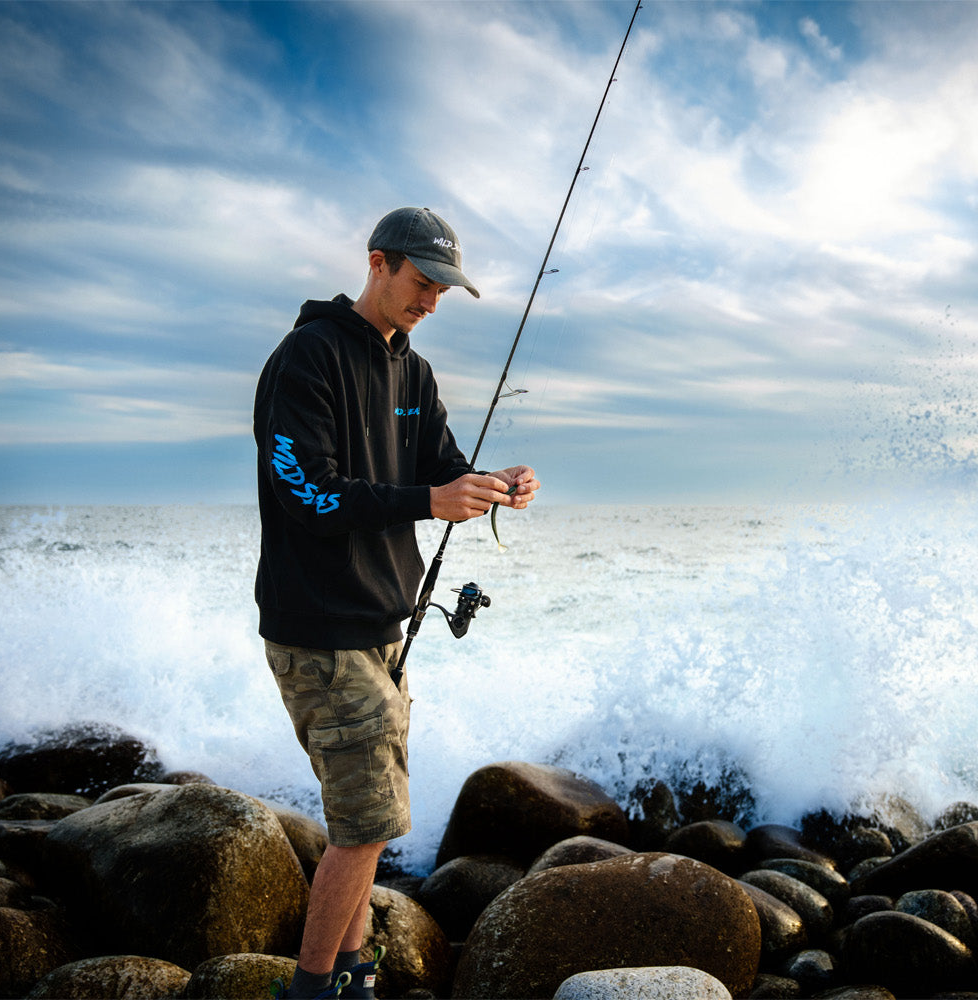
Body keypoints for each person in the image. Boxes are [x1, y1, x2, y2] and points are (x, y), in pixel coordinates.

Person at [254, 206, 538, 999]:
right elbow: (305, 489)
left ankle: (352, 974)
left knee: (366, 818)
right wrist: (428, 501)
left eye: (444, 290)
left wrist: (491, 485)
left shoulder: (412, 370)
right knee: (370, 823)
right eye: (422, 283)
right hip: (320, 627)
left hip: (383, 627)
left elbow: (440, 465)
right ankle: (313, 990)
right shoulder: (307, 358)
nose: (431, 302)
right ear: (377, 262)